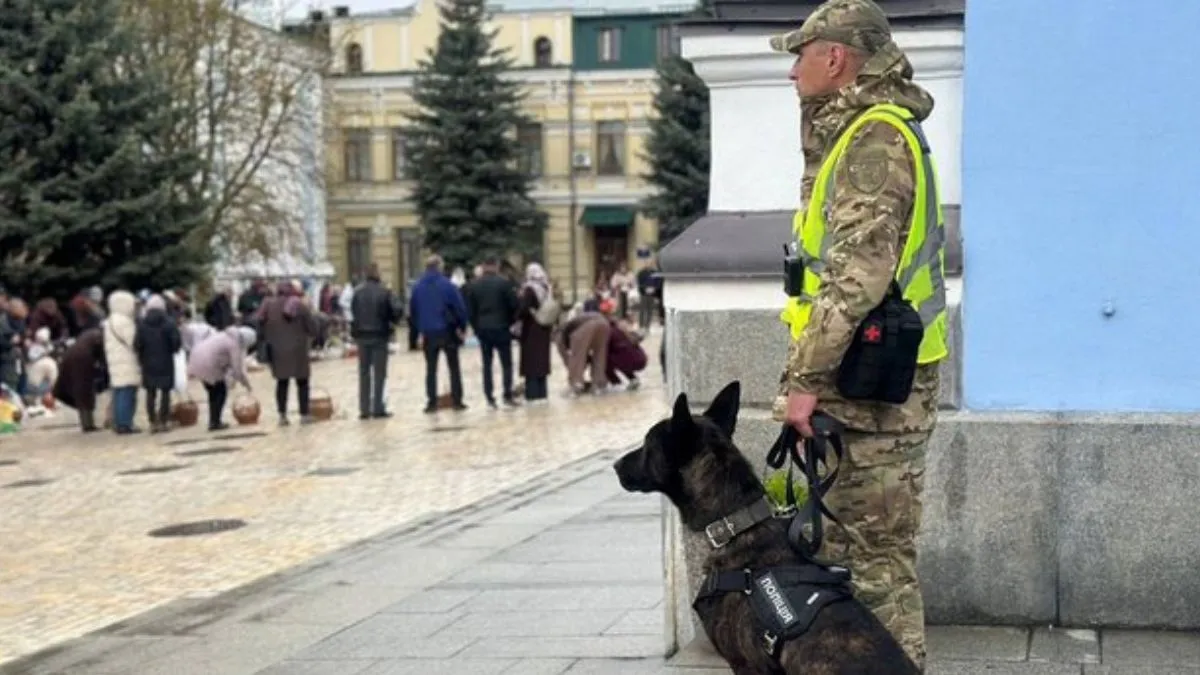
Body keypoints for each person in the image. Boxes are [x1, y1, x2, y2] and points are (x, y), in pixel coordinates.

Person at [769, 0, 949, 668]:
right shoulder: (857, 132)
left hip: (875, 393)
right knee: (863, 561)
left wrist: (803, 383)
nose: (793, 72)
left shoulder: (875, 139)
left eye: (801, 55)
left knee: (876, 570)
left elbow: (855, 278)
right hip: (870, 386)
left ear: (836, 57)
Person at [409, 254, 469, 413]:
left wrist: (418, 331)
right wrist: (462, 328)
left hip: (428, 333)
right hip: (447, 330)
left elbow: (413, 312)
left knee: (431, 369)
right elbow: (460, 309)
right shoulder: (448, 285)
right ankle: (457, 400)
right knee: (454, 367)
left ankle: (431, 402)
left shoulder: (418, 287)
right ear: (439, 267)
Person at [259, 281, 319, 425]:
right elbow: (313, 328)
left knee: (282, 383)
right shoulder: (299, 305)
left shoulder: (268, 305)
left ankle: (282, 415)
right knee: (302, 382)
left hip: (277, 350)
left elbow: (261, 326)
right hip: (298, 350)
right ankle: (304, 414)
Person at [464, 256, 520, 408]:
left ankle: (489, 397)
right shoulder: (504, 283)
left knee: (487, 364)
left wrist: (476, 328)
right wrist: (510, 322)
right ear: (496, 266)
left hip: (483, 329)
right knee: (506, 364)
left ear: (483, 266)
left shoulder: (474, 285)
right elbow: (514, 305)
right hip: (502, 327)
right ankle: (507, 395)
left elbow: (470, 311)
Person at [350, 263, 401, 419]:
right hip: (379, 335)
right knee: (379, 373)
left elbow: (354, 312)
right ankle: (378, 407)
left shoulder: (357, 293)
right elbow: (396, 310)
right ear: (377, 274)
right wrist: (392, 321)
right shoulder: (384, 291)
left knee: (364, 373)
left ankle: (364, 409)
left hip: (362, 336)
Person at [188, 326, 255, 431]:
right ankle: (215, 422)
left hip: (196, 360)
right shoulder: (234, 344)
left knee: (213, 393)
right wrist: (246, 384)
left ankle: (213, 421)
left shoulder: (224, 335)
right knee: (221, 392)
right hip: (209, 365)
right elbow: (237, 368)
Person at [134, 295, 182, 433]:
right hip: (166, 361)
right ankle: (163, 420)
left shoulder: (142, 324)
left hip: (148, 362)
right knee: (165, 391)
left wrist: (142, 355)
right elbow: (176, 342)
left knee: (150, 392)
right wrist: (173, 350)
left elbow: (137, 344)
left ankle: (152, 421)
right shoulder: (169, 323)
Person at [102, 290, 142, 434]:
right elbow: (133, 341)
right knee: (127, 393)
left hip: (115, 362)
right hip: (126, 361)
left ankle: (119, 422)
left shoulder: (110, 320)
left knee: (119, 392)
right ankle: (126, 423)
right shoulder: (124, 322)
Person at [515, 263, 555, 405]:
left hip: (531, 329)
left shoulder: (529, 289)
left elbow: (523, 309)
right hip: (544, 329)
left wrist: (515, 319)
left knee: (531, 362)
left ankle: (532, 395)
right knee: (542, 362)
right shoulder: (546, 287)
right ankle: (542, 394)